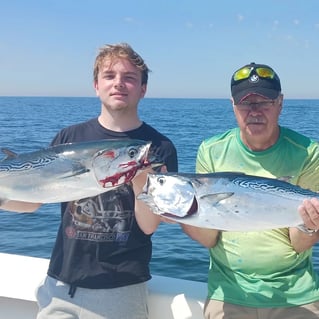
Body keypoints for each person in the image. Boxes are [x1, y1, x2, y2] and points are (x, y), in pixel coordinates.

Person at [0, 43, 178, 319]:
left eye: (129, 77)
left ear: (143, 89)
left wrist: (141, 177)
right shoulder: (68, 137)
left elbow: (148, 225)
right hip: (60, 284)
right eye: (109, 76)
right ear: (96, 85)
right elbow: (31, 201)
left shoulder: (158, 148)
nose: (119, 83)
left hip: (121, 289)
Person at [182, 62, 319, 319]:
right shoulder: (211, 151)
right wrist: (184, 215)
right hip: (229, 294)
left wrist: (311, 225)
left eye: (264, 102)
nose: (254, 111)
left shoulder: (307, 152)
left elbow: (299, 244)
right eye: (246, 103)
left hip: (294, 295)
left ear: (280, 103)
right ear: (233, 106)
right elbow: (209, 238)